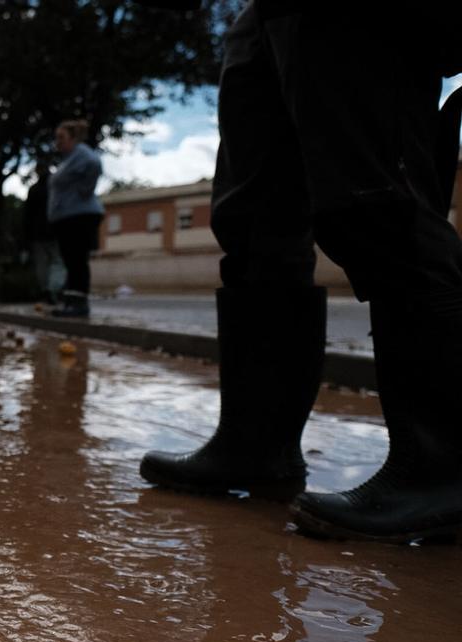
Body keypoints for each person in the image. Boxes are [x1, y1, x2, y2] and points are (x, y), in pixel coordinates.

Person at [136, 1, 462, 543]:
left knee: (376, 198)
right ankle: (256, 445)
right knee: (253, 220)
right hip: (270, 11)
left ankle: (444, 466)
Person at [47, 120, 104, 318]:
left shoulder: (81, 153)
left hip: (79, 216)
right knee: (71, 262)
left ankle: (79, 304)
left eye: (61, 137)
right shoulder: (69, 158)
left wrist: (85, 190)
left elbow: (95, 164)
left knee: (77, 260)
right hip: (68, 217)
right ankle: (71, 302)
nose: (57, 142)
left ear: (73, 138)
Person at [23, 161, 65, 304]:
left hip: (38, 233)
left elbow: (27, 215)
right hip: (54, 230)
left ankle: (46, 289)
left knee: (43, 263)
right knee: (57, 261)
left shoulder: (34, 189)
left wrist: (27, 236)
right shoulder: (55, 186)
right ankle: (54, 289)